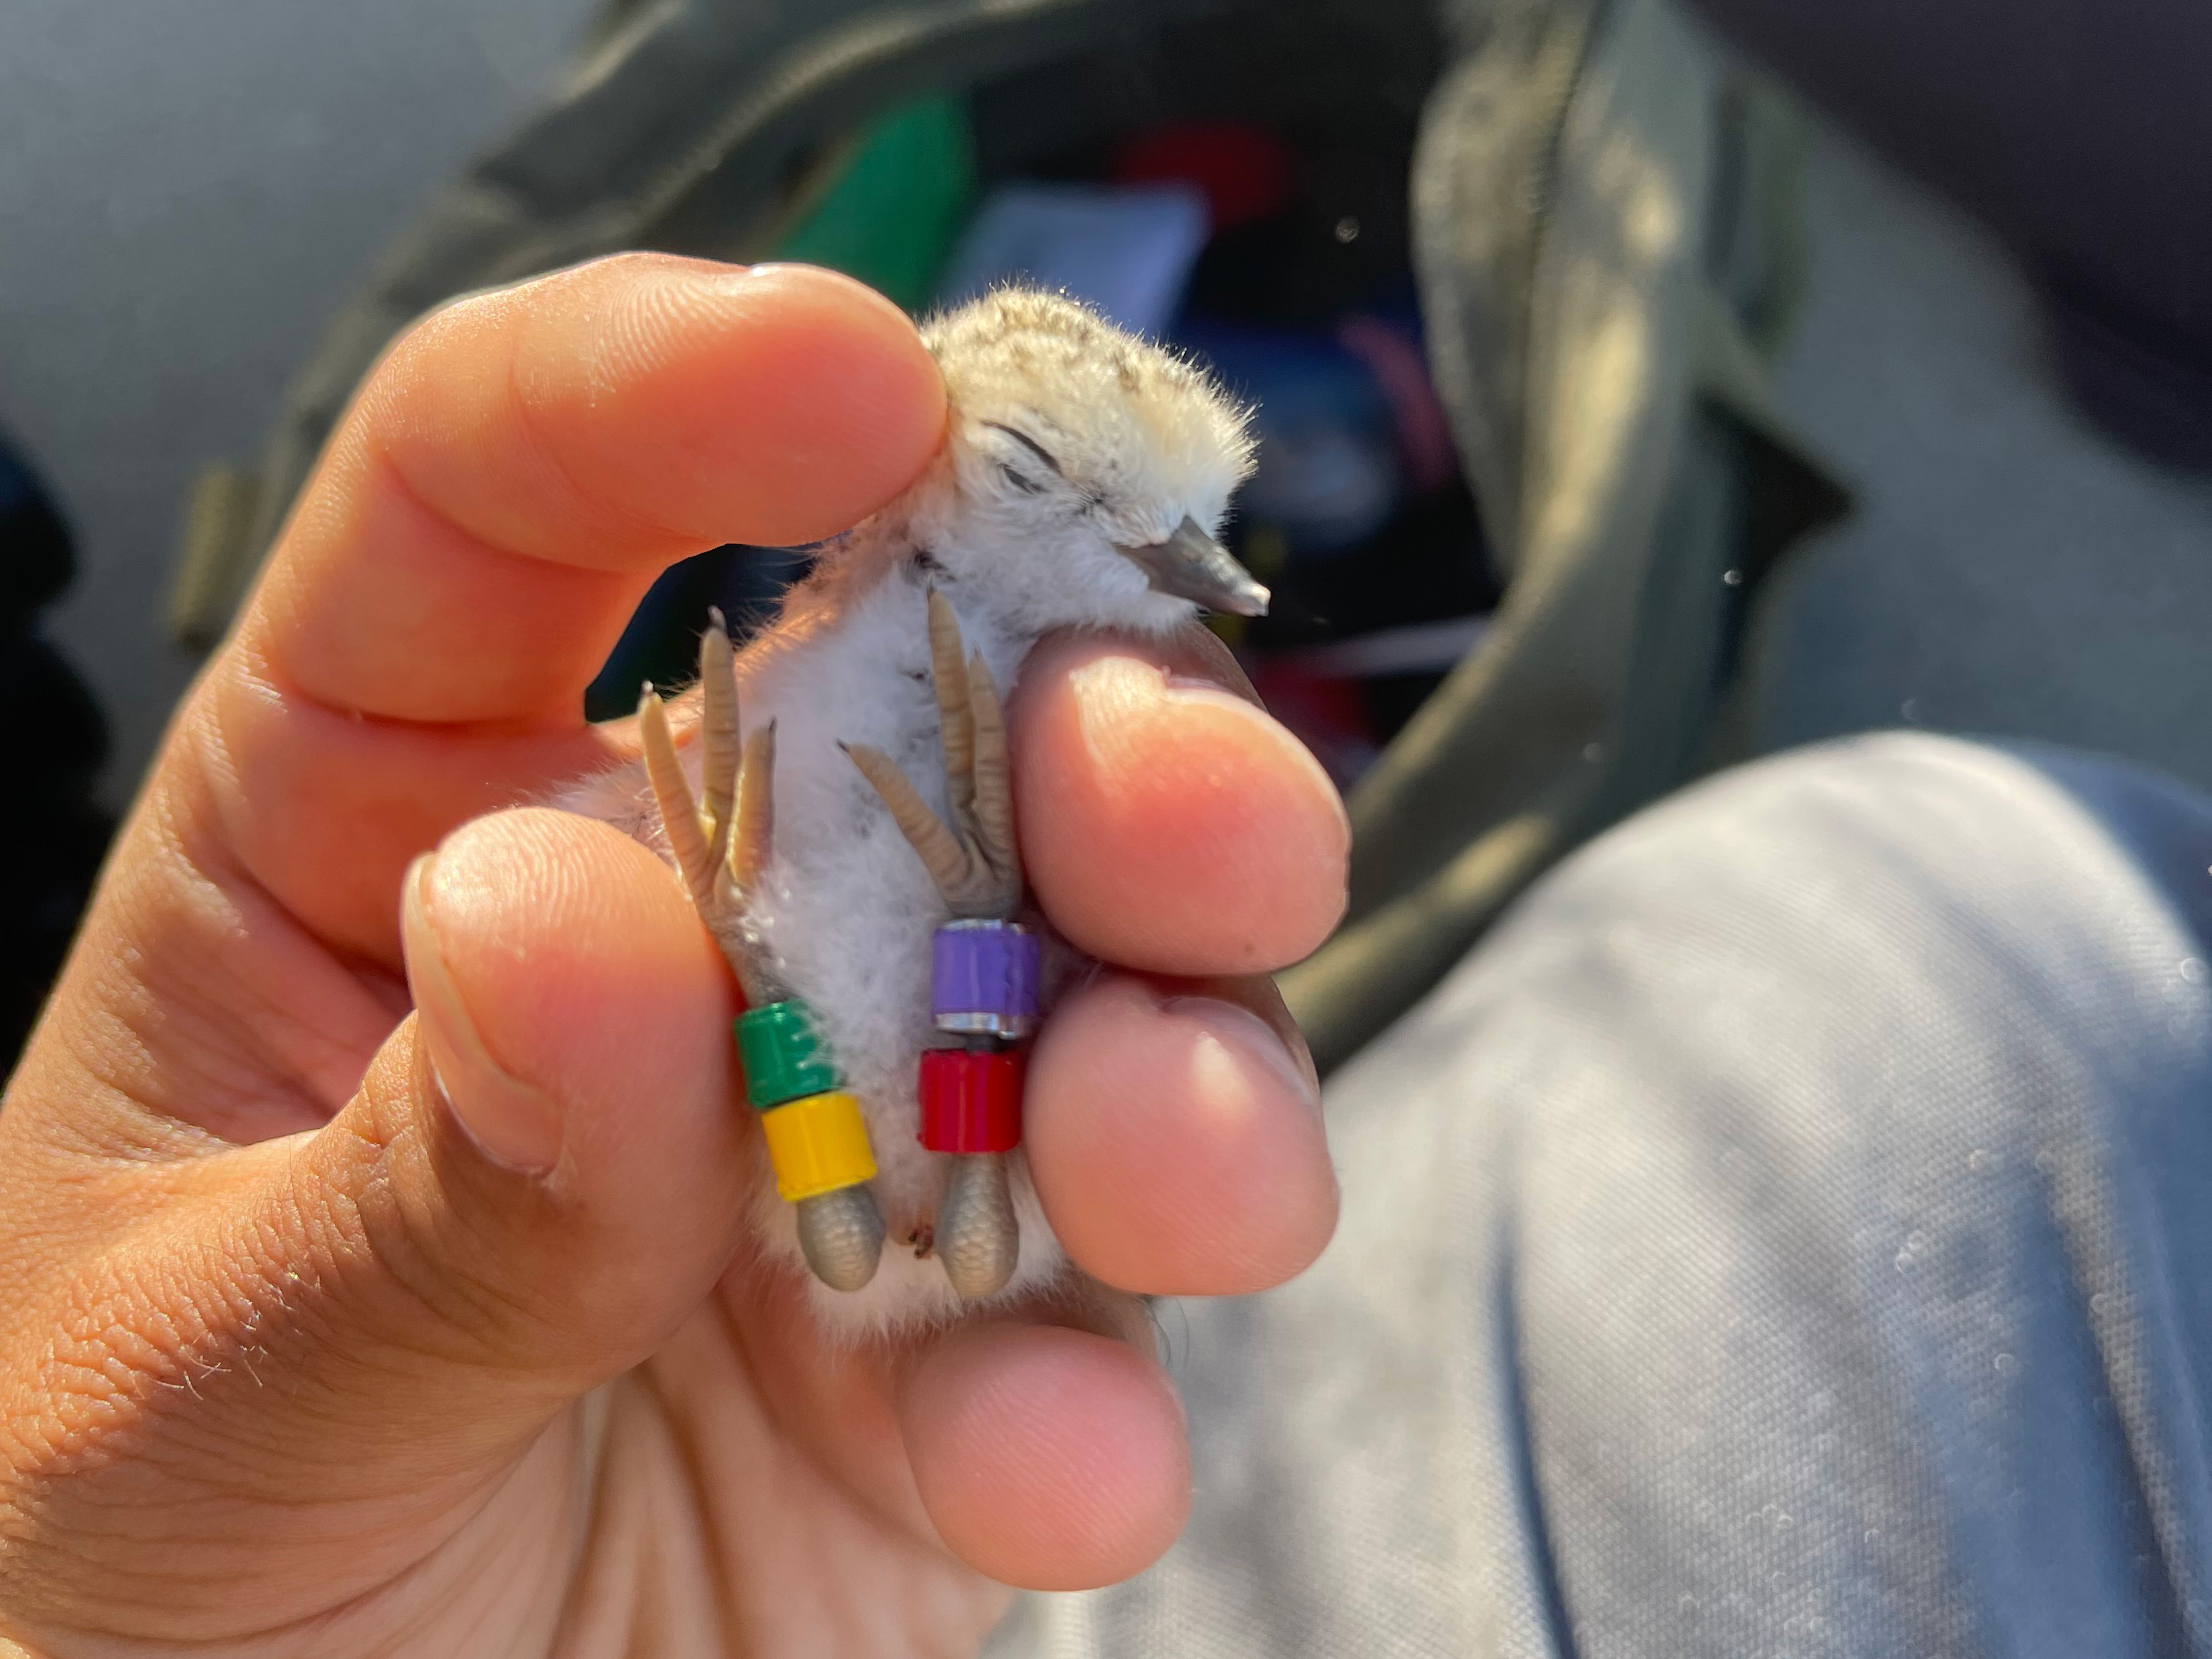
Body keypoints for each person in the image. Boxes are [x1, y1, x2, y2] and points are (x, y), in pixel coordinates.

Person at [5, 253, 2210, 1657]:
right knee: (1968, 895)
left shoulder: (889, 705)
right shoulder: (828, 679)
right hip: (810, 1231)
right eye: (1099, 502)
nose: (1195, 573)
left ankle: (907, 1138)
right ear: (960, 490)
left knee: (1969, 900)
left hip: (850, 1295)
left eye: (1201, 527)